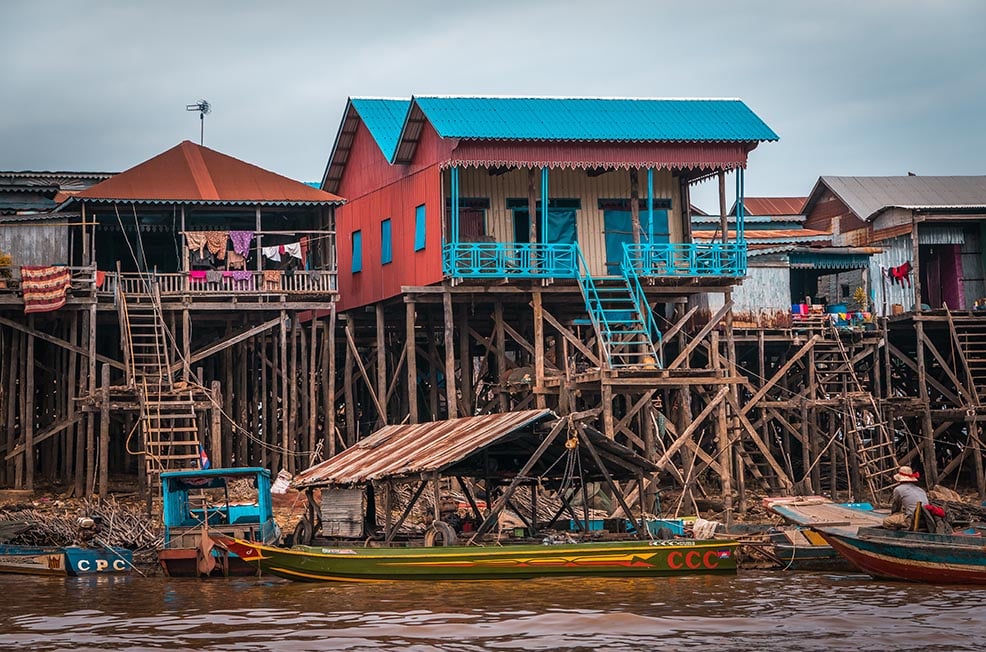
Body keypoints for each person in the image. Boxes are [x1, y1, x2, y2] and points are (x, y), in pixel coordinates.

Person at [882, 466, 929, 530]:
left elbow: (896, 507)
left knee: (886, 521)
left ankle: (899, 532)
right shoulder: (921, 490)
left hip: (912, 519)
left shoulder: (898, 489)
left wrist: (893, 515)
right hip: (926, 518)